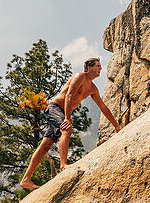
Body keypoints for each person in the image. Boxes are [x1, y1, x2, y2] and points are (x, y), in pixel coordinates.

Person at [19, 57, 121, 191]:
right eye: (97, 66)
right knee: (66, 130)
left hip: (62, 112)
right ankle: (63, 165)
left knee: (46, 145)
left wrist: (116, 126)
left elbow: (103, 107)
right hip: (55, 107)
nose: (100, 69)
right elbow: (69, 96)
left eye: (100, 66)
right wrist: (67, 118)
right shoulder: (79, 77)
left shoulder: (92, 88)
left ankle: (26, 179)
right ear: (89, 68)